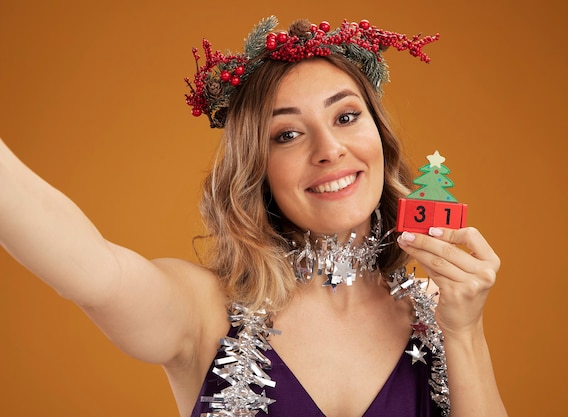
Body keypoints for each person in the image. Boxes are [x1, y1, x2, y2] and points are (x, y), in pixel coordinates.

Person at [0, 16, 507, 417]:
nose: (329, 149)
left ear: (379, 138)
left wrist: (465, 333)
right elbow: (92, 271)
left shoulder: (440, 317)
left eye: (346, 116)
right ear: (257, 168)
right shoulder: (204, 312)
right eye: (287, 134)